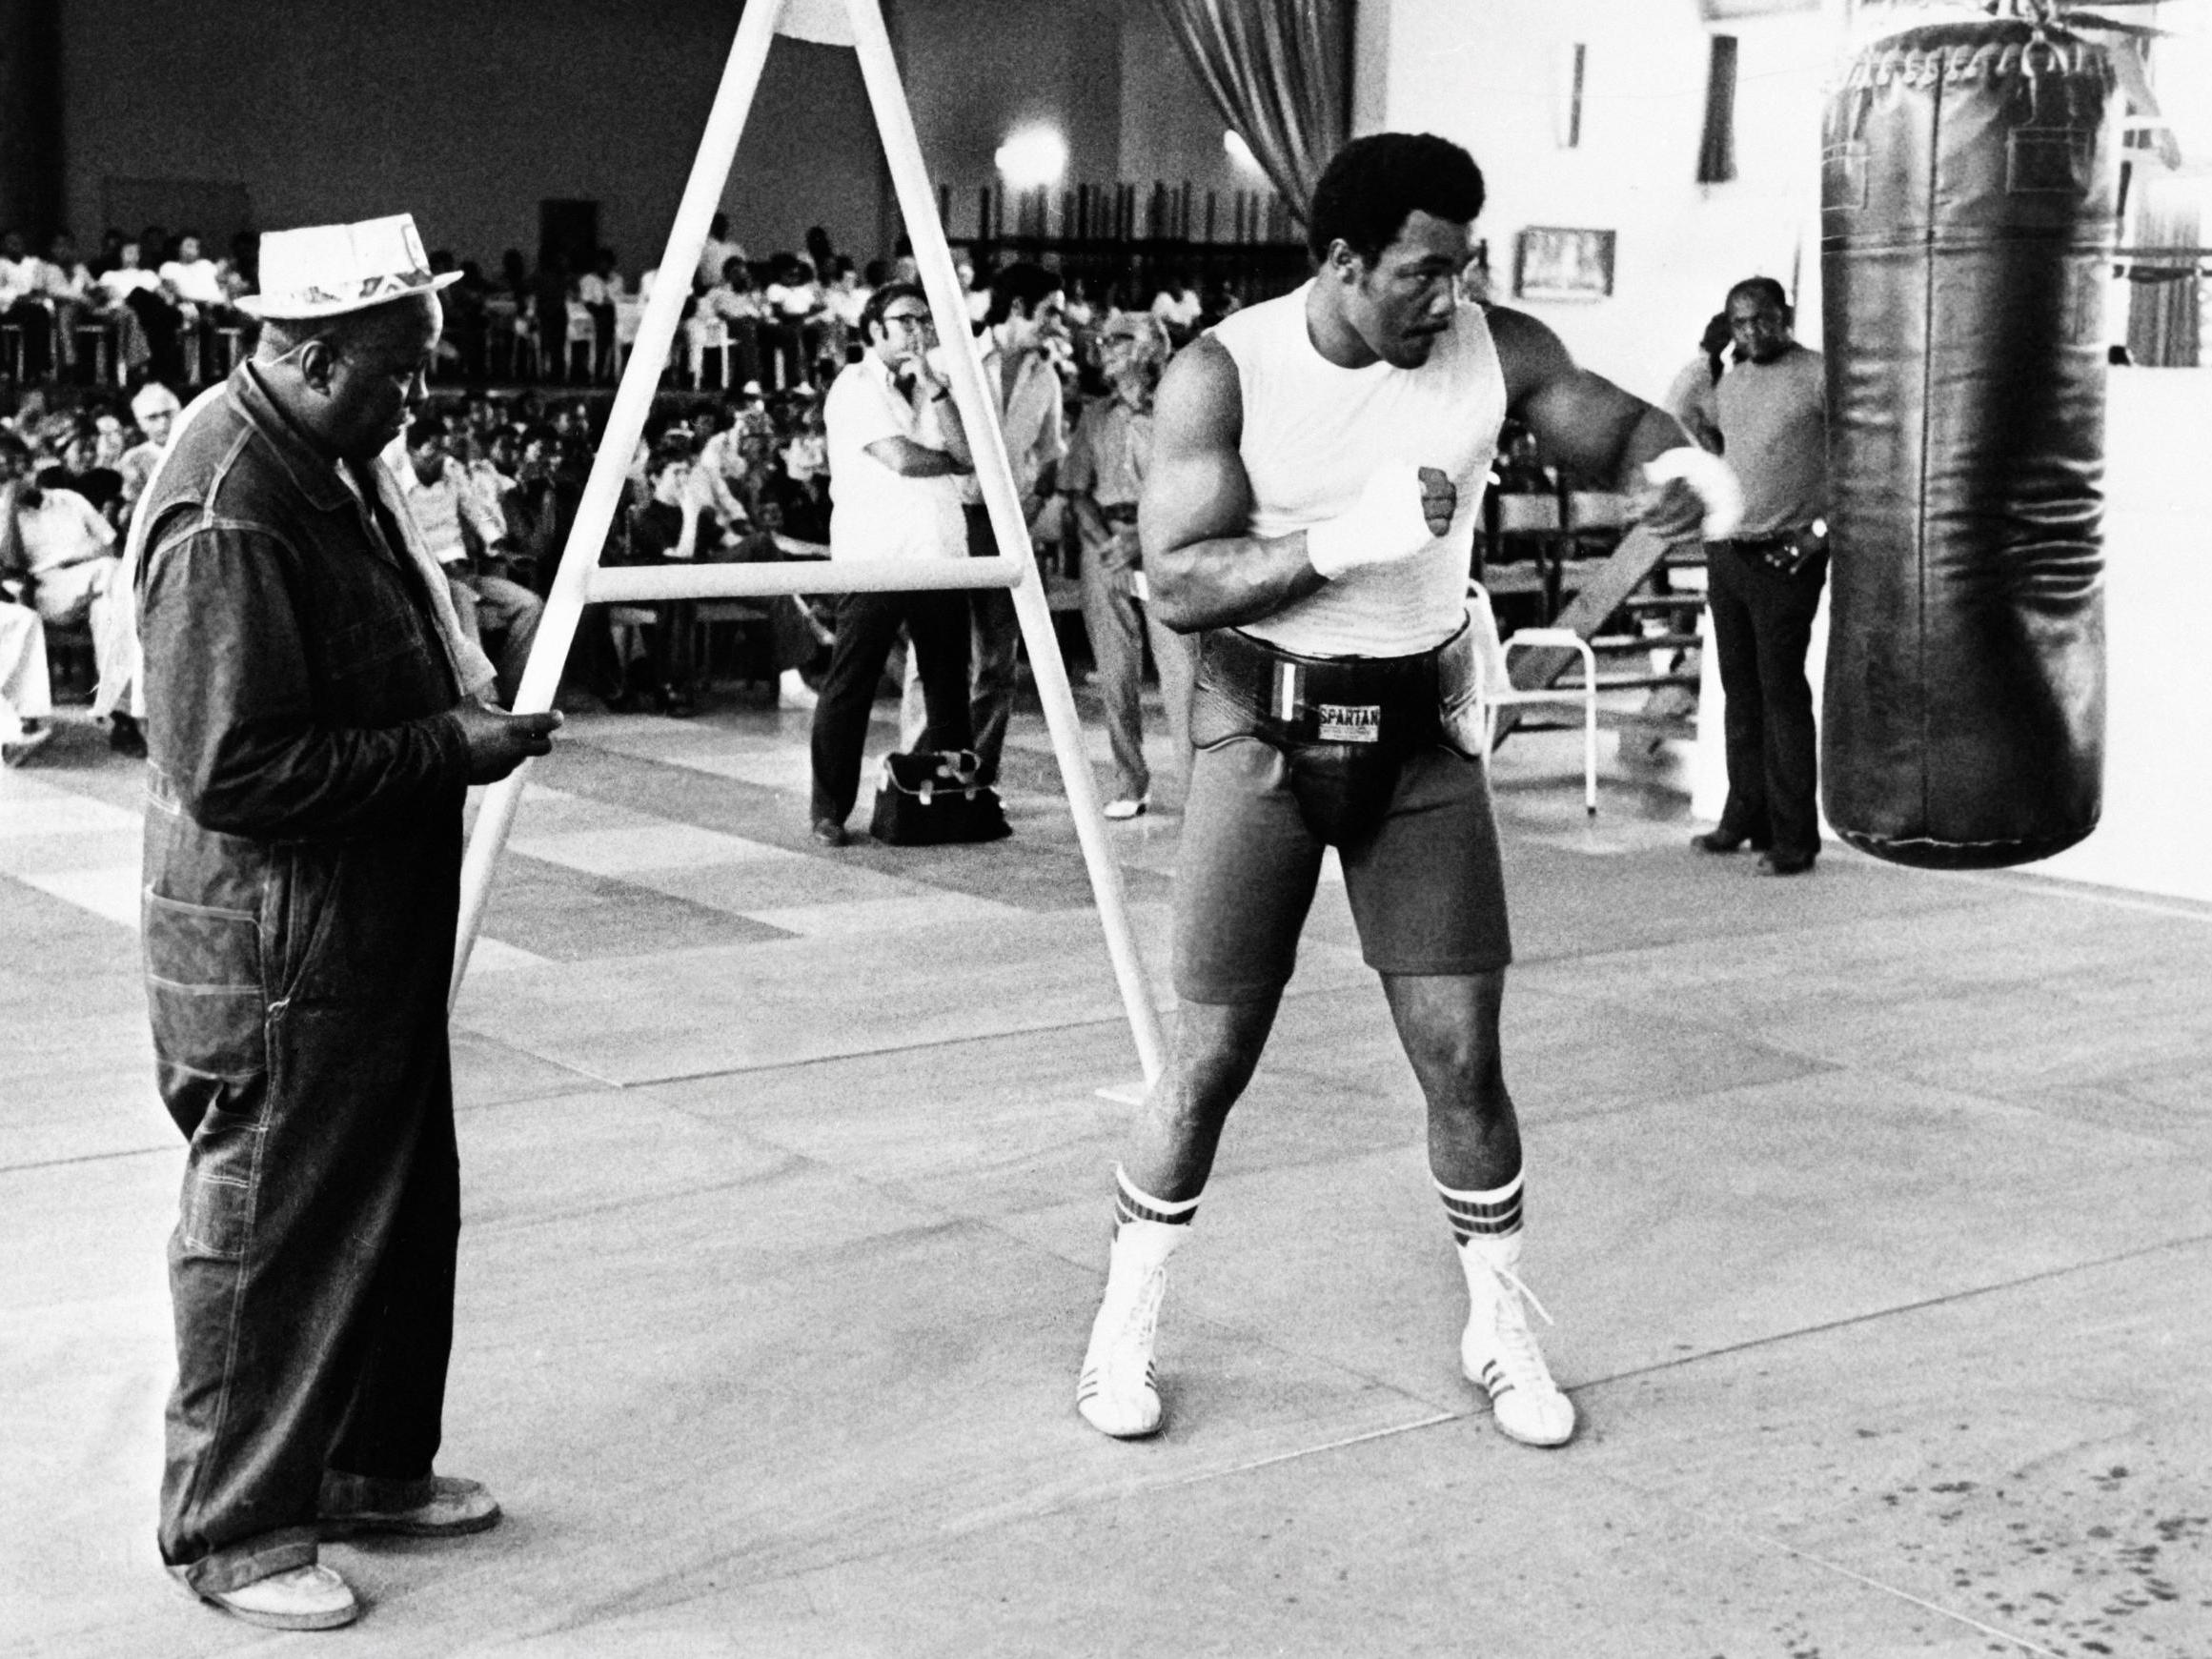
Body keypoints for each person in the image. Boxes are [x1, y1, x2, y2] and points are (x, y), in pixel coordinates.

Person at [1071, 133, 1736, 1450]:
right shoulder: (1226, 372)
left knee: (1462, 1057)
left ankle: (1496, 1324)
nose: (1450, 296)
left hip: (1420, 743)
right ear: (1342, 260)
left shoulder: (1488, 350)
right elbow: (1183, 581)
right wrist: (1338, 544)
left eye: (1465, 268)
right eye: (1424, 272)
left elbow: (1600, 420)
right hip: (1259, 742)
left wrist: (1674, 459)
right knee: (1205, 1063)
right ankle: (1120, 1327)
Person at [132, 213, 560, 1632]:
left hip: (358, 928)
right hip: (277, 944)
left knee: (392, 1201)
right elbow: (233, 768)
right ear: (310, 356)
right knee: (275, 1226)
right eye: (395, 372)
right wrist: (450, 745)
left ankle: (372, 1462)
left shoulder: (323, 454)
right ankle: (235, 1526)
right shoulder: (234, 501)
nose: (412, 400)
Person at [806, 281, 977, 847]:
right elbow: (900, 459)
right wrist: (952, 462)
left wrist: (937, 394)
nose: (918, 331)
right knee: (850, 686)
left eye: (924, 321)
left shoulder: (937, 386)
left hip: (939, 553)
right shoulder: (852, 388)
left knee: (950, 690)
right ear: (874, 329)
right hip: (874, 556)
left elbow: (968, 453)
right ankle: (830, 809)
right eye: (906, 321)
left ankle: (952, 798)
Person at [897, 260, 1067, 787]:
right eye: (1049, 314)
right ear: (1016, 308)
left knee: (997, 656)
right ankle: (919, 770)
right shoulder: (952, 361)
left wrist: (1032, 509)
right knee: (937, 651)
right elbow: (928, 443)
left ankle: (975, 777)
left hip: (1006, 523)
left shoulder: (1047, 376)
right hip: (951, 514)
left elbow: (1051, 453)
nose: (1056, 326)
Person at [1690, 276, 1829, 877]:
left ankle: (1795, 839)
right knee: (1738, 693)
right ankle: (1744, 815)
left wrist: (1819, 534)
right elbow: (1693, 426)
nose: (1753, 332)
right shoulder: (1730, 380)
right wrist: (1703, 357)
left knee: (1781, 693)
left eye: (1763, 320)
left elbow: (1865, 459)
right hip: (1729, 552)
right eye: (1741, 324)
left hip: (1787, 555)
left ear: (1786, 316)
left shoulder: (1821, 373)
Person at [1065, 310, 1194, 818]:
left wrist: (1140, 541)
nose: (1105, 352)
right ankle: (1128, 782)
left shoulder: (1177, 411)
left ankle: (1193, 790)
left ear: (1146, 349)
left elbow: (1191, 490)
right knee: (1115, 674)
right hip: (1105, 548)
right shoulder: (1095, 415)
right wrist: (1106, 547)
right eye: (1102, 343)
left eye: (1116, 343)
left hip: (1164, 544)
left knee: (1181, 674)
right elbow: (1075, 491)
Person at [0, 427, 144, 753]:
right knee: (112, 579)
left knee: (108, 609)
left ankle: (121, 717)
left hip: (99, 585)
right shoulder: (3, 512)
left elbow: (113, 545)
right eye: (6, 467)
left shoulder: (69, 500)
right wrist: (9, 505)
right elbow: (11, 569)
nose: (18, 473)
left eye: (22, 463)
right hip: (48, 590)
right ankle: (124, 711)